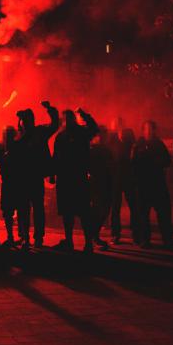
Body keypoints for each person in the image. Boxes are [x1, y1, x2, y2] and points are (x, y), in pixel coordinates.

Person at [13, 101, 59, 249]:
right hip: (23, 178)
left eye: (26, 119)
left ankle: (38, 237)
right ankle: (25, 236)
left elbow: (54, 125)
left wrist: (49, 110)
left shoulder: (39, 132)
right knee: (23, 208)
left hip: (35, 177)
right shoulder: (19, 136)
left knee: (37, 208)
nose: (24, 122)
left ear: (31, 121)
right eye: (23, 120)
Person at [53, 108, 98, 252]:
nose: (66, 121)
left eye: (69, 118)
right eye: (64, 119)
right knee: (67, 214)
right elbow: (56, 156)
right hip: (65, 179)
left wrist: (84, 115)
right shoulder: (60, 136)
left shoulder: (81, 132)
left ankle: (88, 243)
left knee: (84, 213)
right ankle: (69, 241)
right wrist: (52, 173)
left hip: (79, 178)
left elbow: (94, 128)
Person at [132, 120, 173, 248]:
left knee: (164, 213)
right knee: (143, 215)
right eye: (147, 129)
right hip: (143, 185)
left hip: (157, 184)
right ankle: (145, 240)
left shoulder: (158, 144)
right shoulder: (139, 145)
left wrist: (156, 163)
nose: (149, 132)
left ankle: (168, 240)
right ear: (143, 130)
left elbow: (167, 161)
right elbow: (133, 163)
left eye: (151, 129)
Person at [107, 121, 137, 244]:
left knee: (134, 206)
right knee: (115, 207)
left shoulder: (129, 138)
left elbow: (133, 153)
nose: (118, 128)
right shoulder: (112, 140)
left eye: (119, 124)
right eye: (115, 124)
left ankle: (136, 234)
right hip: (116, 179)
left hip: (128, 177)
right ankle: (115, 234)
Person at [89, 126, 113, 249]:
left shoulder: (106, 150)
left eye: (105, 134)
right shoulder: (91, 150)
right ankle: (93, 237)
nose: (104, 137)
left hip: (105, 184)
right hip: (96, 184)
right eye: (102, 134)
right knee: (98, 210)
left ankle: (94, 236)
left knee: (104, 210)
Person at [0, 126, 23, 246]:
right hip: (12, 183)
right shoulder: (4, 149)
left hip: (12, 183)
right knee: (10, 211)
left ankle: (18, 236)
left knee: (11, 211)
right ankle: (17, 236)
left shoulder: (14, 148)